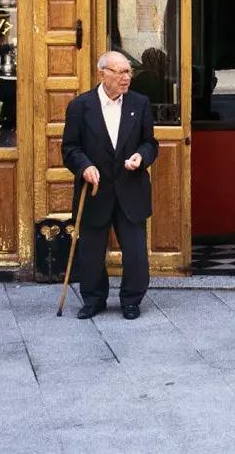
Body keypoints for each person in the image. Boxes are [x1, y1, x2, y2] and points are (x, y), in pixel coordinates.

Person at [61, 50, 159, 320]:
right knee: (91, 251)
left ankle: (131, 300)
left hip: (131, 188)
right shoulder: (80, 107)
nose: (127, 77)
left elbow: (150, 143)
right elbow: (70, 148)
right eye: (121, 72)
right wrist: (84, 166)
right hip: (95, 190)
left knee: (136, 252)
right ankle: (93, 299)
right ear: (102, 73)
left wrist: (142, 157)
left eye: (129, 72)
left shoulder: (139, 104)